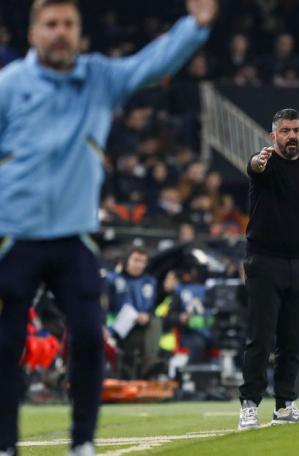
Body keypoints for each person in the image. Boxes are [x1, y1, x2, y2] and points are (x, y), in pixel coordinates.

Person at [0, 0, 218, 454]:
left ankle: (82, 444)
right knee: (4, 349)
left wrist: (194, 27)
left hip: (74, 236)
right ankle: (5, 445)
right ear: (33, 33)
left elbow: (150, 63)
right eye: (51, 24)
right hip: (14, 237)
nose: (60, 32)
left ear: (80, 34)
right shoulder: (9, 86)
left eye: (68, 24)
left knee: (89, 342)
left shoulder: (99, 78)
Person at [238, 109, 299, 430]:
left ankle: (285, 405)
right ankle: (249, 405)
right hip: (264, 261)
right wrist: (256, 163)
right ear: (273, 136)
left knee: (292, 340)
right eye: (285, 130)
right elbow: (254, 167)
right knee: (260, 338)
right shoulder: (265, 163)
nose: (291, 136)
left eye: (296, 130)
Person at [106, 247, 161, 379]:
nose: (139, 265)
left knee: (155, 321)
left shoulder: (150, 282)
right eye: (135, 260)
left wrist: (146, 316)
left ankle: (150, 362)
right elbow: (105, 307)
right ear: (127, 260)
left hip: (138, 329)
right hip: (116, 329)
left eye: (143, 261)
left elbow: (151, 308)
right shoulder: (112, 279)